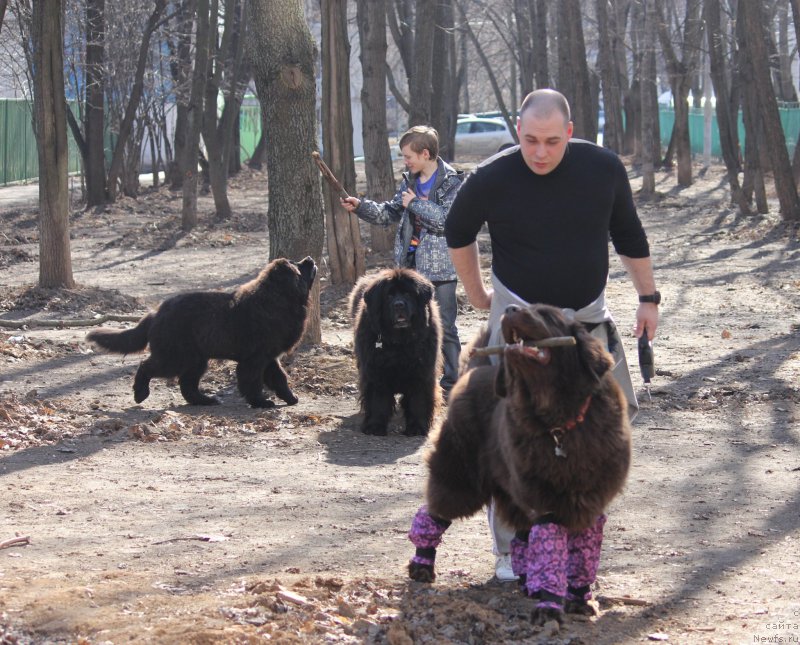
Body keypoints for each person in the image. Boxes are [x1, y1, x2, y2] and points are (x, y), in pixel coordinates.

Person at [444, 89, 659, 584]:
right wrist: (478, 293)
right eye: (530, 140)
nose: (540, 153)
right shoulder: (493, 176)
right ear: (517, 130)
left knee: (602, 427)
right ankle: (510, 549)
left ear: (570, 132)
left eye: (552, 142)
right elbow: (459, 231)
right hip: (516, 322)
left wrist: (649, 298)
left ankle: (576, 537)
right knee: (508, 434)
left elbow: (629, 235)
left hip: (585, 320)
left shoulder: (602, 169)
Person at [341, 125, 464, 397]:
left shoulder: (453, 182)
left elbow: (447, 222)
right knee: (408, 325)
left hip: (441, 270)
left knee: (445, 325)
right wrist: (360, 206)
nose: (405, 162)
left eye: (408, 156)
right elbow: (389, 212)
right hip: (411, 269)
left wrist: (415, 204)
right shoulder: (409, 183)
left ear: (425, 153)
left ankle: (453, 382)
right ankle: (415, 380)